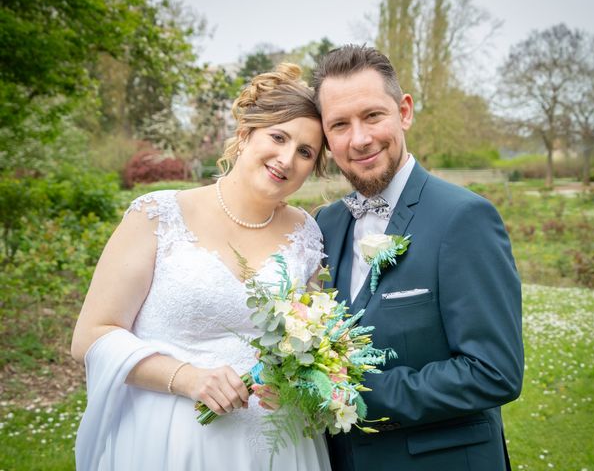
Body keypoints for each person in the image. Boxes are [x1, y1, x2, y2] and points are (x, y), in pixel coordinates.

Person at [71, 63, 332, 471]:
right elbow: (91, 336)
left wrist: (297, 384)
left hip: (278, 445)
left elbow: (312, 342)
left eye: (305, 152)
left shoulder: (307, 233)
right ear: (245, 133)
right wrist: (188, 377)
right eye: (278, 137)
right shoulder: (158, 214)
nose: (286, 159)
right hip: (170, 439)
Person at [313, 45, 524, 471]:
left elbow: (494, 371)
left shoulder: (464, 217)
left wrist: (359, 396)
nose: (359, 138)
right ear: (325, 137)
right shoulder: (326, 223)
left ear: (404, 111)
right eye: (340, 124)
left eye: (373, 116)